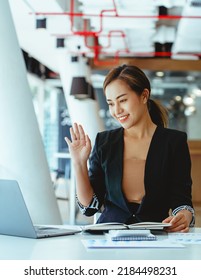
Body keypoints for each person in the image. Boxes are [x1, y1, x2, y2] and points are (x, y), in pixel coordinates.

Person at [65, 64, 195, 233]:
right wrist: (79, 163)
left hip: (155, 238)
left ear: (144, 95)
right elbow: (89, 207)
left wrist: (184, 216)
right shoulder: (105, 141)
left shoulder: (173, 142)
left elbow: (182, 201)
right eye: (111, 103)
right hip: (108, 238)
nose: (116, 110)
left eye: (123, 100)